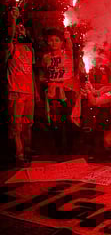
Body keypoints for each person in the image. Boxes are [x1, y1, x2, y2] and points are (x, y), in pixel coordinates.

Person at [5, 7, 39, 166]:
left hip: (28, 93)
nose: (20, 30)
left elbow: (31, 72)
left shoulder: (29, 49)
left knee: (28, 125)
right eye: (17, 28)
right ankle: (18, 156)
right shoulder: (11, 48)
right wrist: (14, 19)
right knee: (16, 126)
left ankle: (28, 151)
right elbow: (10, 37)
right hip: (16, 92)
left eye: (22, 28)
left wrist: (36, 91)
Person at [39, 27, 78, 157]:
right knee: (55, 120)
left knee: (68, 119)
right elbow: (42, 75)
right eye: (51, 40)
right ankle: (59, 150)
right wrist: (47, 82)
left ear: (61, 42)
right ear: (48, 42)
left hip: (67, 91)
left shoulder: (67, 54)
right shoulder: (46, 57)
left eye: (57, 40)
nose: (54, 43)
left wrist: (68, 38)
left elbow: (70, 47)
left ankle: (70, 149)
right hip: (52, 91)